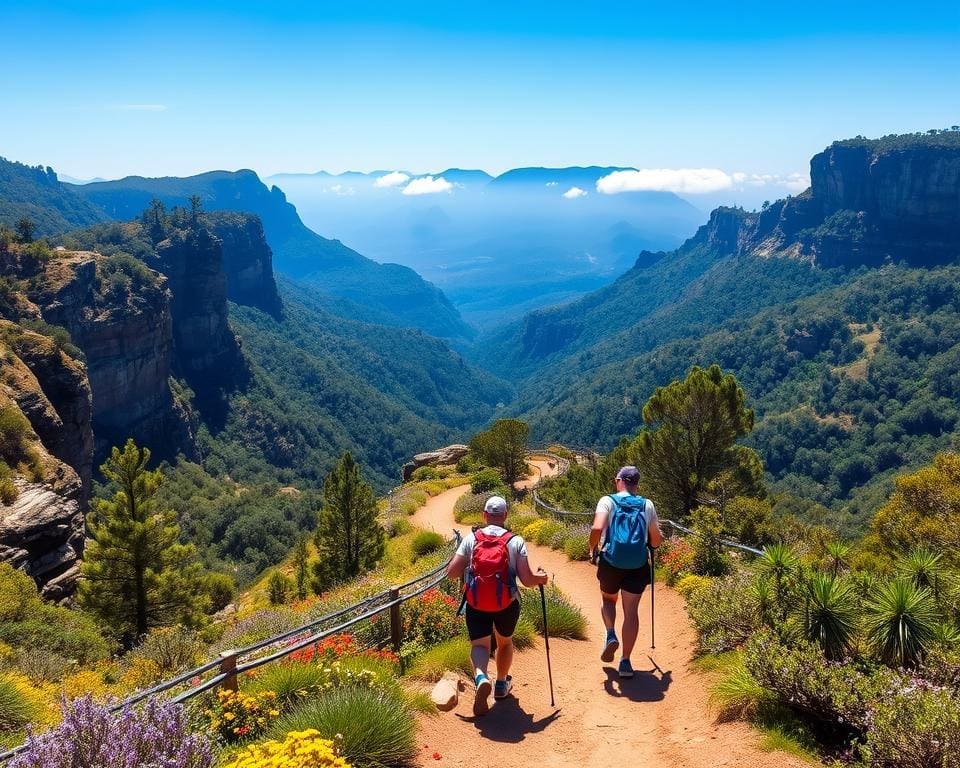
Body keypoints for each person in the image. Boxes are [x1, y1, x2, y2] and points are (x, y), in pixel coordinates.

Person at [447, 495, 549, 716]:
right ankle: (501, 685)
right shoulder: (515, 541)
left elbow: (452, 572)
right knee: (504, 643)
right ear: (505, 516)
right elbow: (527, 580)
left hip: (476, 603)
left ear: (484, 515)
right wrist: (541, 578)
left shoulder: (471, 539)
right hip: (506, 604)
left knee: (480, 646)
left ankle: (482, 677)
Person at [589, 465, 663, 679]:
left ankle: (610, 633)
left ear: (618, 480)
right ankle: (626, 662)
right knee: (631, 612)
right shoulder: (647, 504)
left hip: (611, 561)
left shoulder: (607, 501)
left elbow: (596, 528)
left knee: (608, 600)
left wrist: (592, 549)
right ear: (636, 484)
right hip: (637, 564)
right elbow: (656, 541)